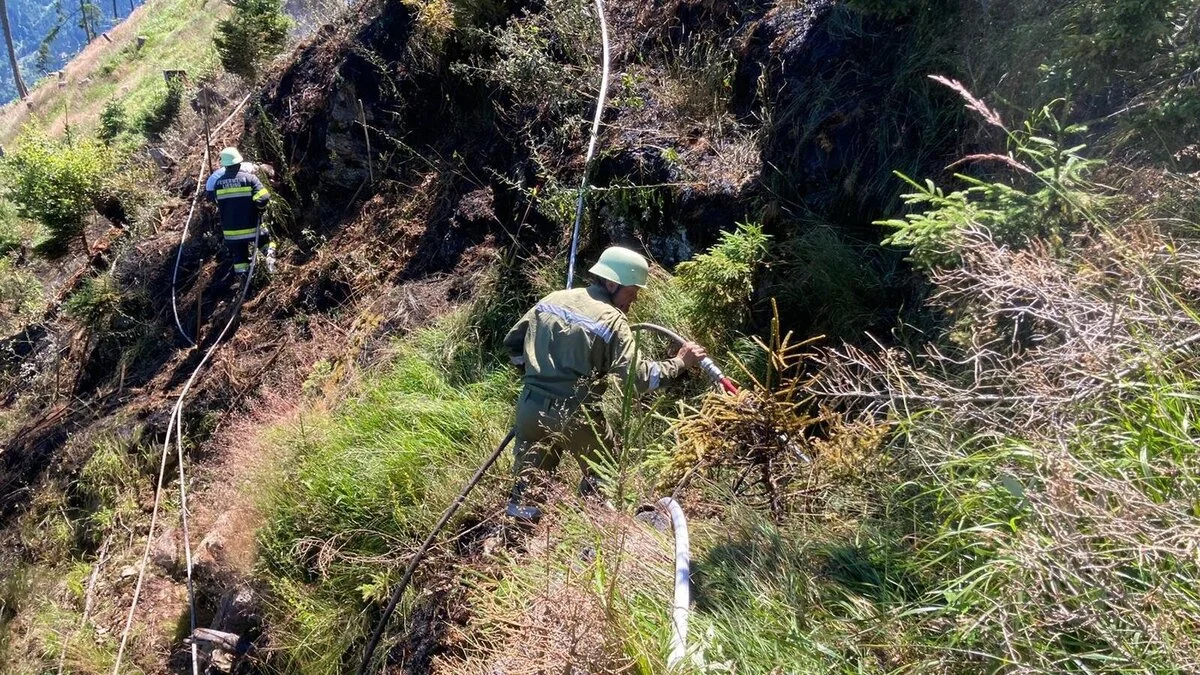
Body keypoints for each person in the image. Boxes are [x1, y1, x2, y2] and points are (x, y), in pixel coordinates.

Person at [502, 246, 708, 521]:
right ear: (612, 283)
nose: (630, 304)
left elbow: (513, 344)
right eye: (630, 295)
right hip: (576, 413)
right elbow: (639, 379)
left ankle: (518, 541)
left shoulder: (553, 299)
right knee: (605, 472)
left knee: (528, 487)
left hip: (529, 408)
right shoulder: (612, 320)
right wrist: (681, 362)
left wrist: (533, 375)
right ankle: (593, 530)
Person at [205, 147, 276, 281]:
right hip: (253, 227)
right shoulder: (250, 178)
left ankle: (245, 282)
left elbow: (217, 202)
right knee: (267, 244)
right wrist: (259, 208)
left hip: (231, 234)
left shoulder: (218, 184)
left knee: (240, 259)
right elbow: (264, 197)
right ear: (239, 162)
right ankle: (271, 265)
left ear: (224, 164)